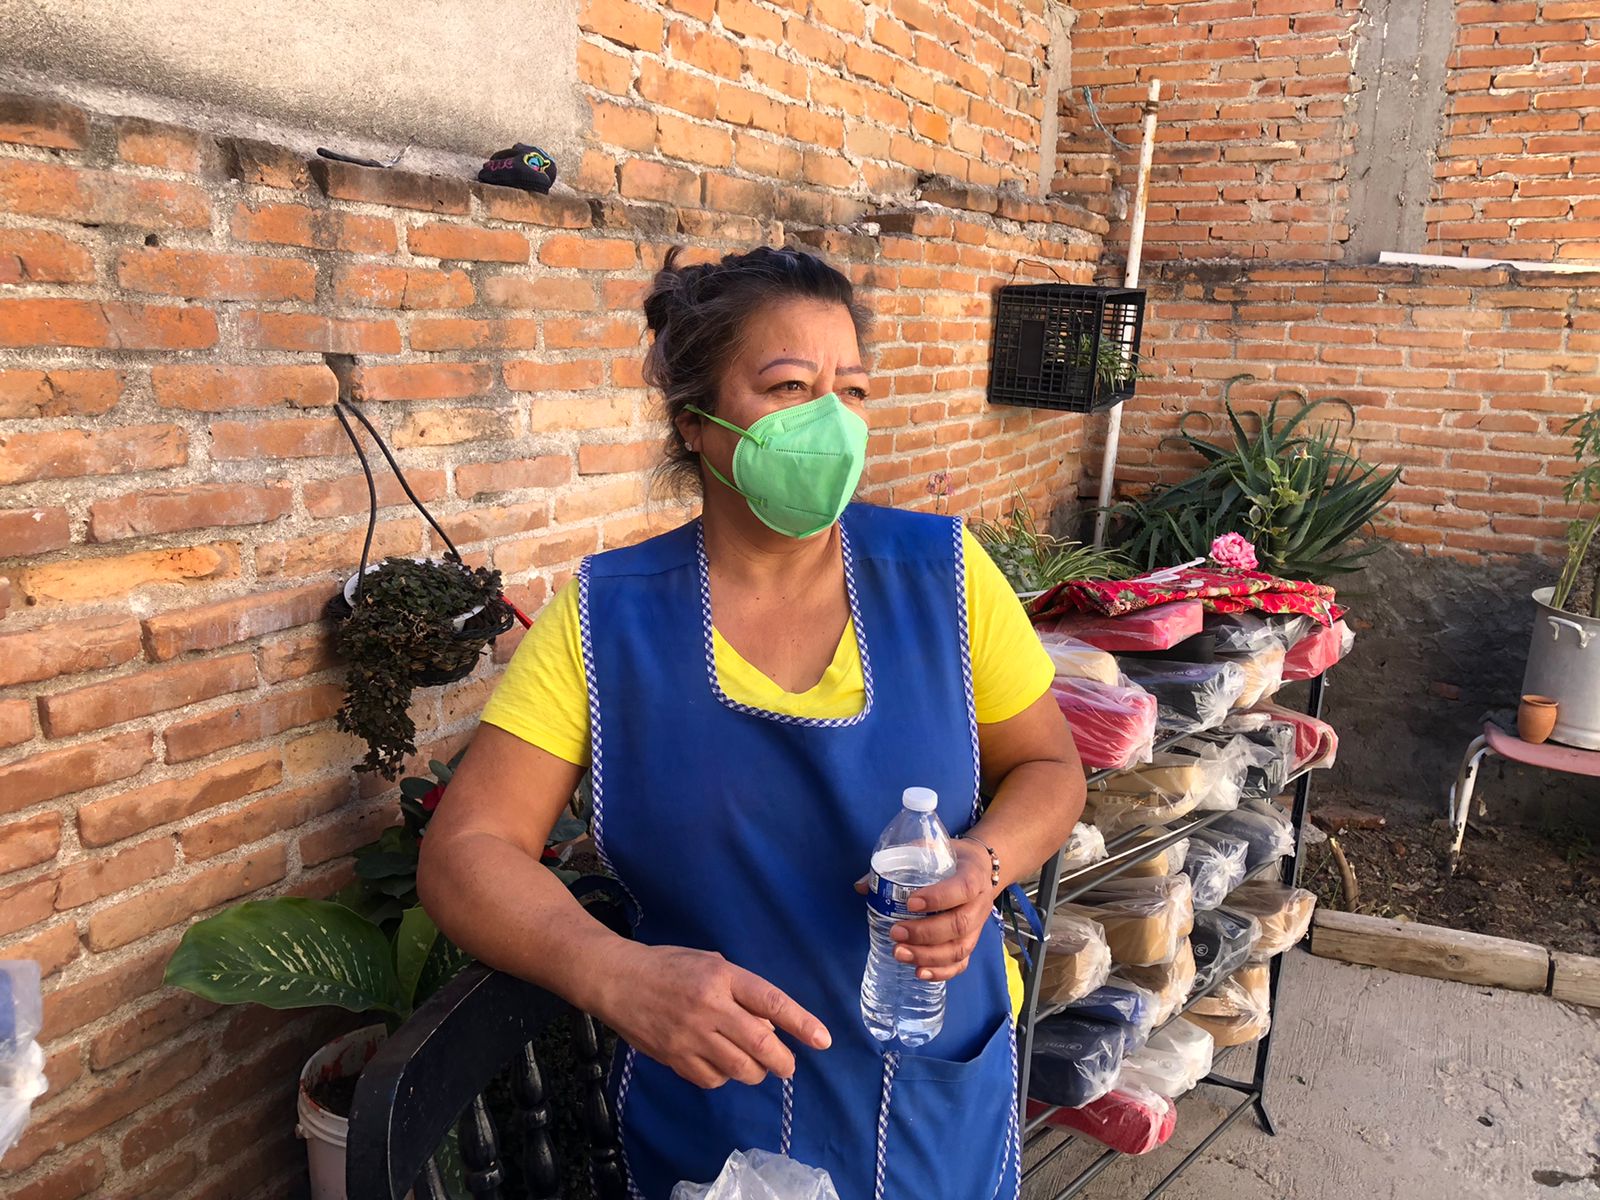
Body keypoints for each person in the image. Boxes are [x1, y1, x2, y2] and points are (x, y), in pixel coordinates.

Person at [418, 246, 1086, 1199]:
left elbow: (1049, 769)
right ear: (696, 424)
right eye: (788, 387)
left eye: (850, 390)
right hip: (715, 1109)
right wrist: (611, 974)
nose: (832, 422)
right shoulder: (608, 618)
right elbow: (466, 849)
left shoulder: (944, 576)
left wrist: (983, 865)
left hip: (929, 1089)